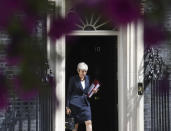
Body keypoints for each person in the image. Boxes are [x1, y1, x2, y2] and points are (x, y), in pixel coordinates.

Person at [66, 62, 98, 131]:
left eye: (85, 71)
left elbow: (88, 91)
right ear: (78, 71)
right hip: (74, 105)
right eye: (82, 71)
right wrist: (67, 106)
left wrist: (94, 91)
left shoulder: (88, 78)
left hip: (85, 104)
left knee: (89, 122)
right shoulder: (73, 79)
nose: (84, 73)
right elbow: (69, 93)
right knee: (75, 125)